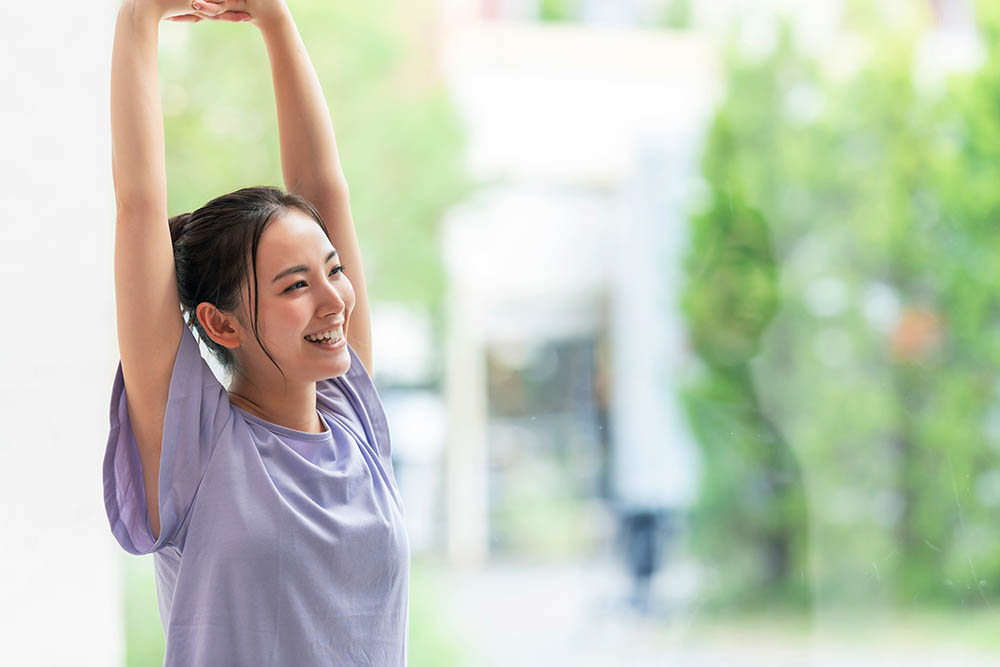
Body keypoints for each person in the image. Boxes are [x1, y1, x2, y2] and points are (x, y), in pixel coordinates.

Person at [102, 1, 410, 664]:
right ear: (220, 321)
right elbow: (139, 205)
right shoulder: (196, 448)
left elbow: (324, 188)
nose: (335, 299)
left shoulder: (352, 416)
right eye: (295, 286)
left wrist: (273, 18)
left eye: (331, 270)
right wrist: (139, 17)